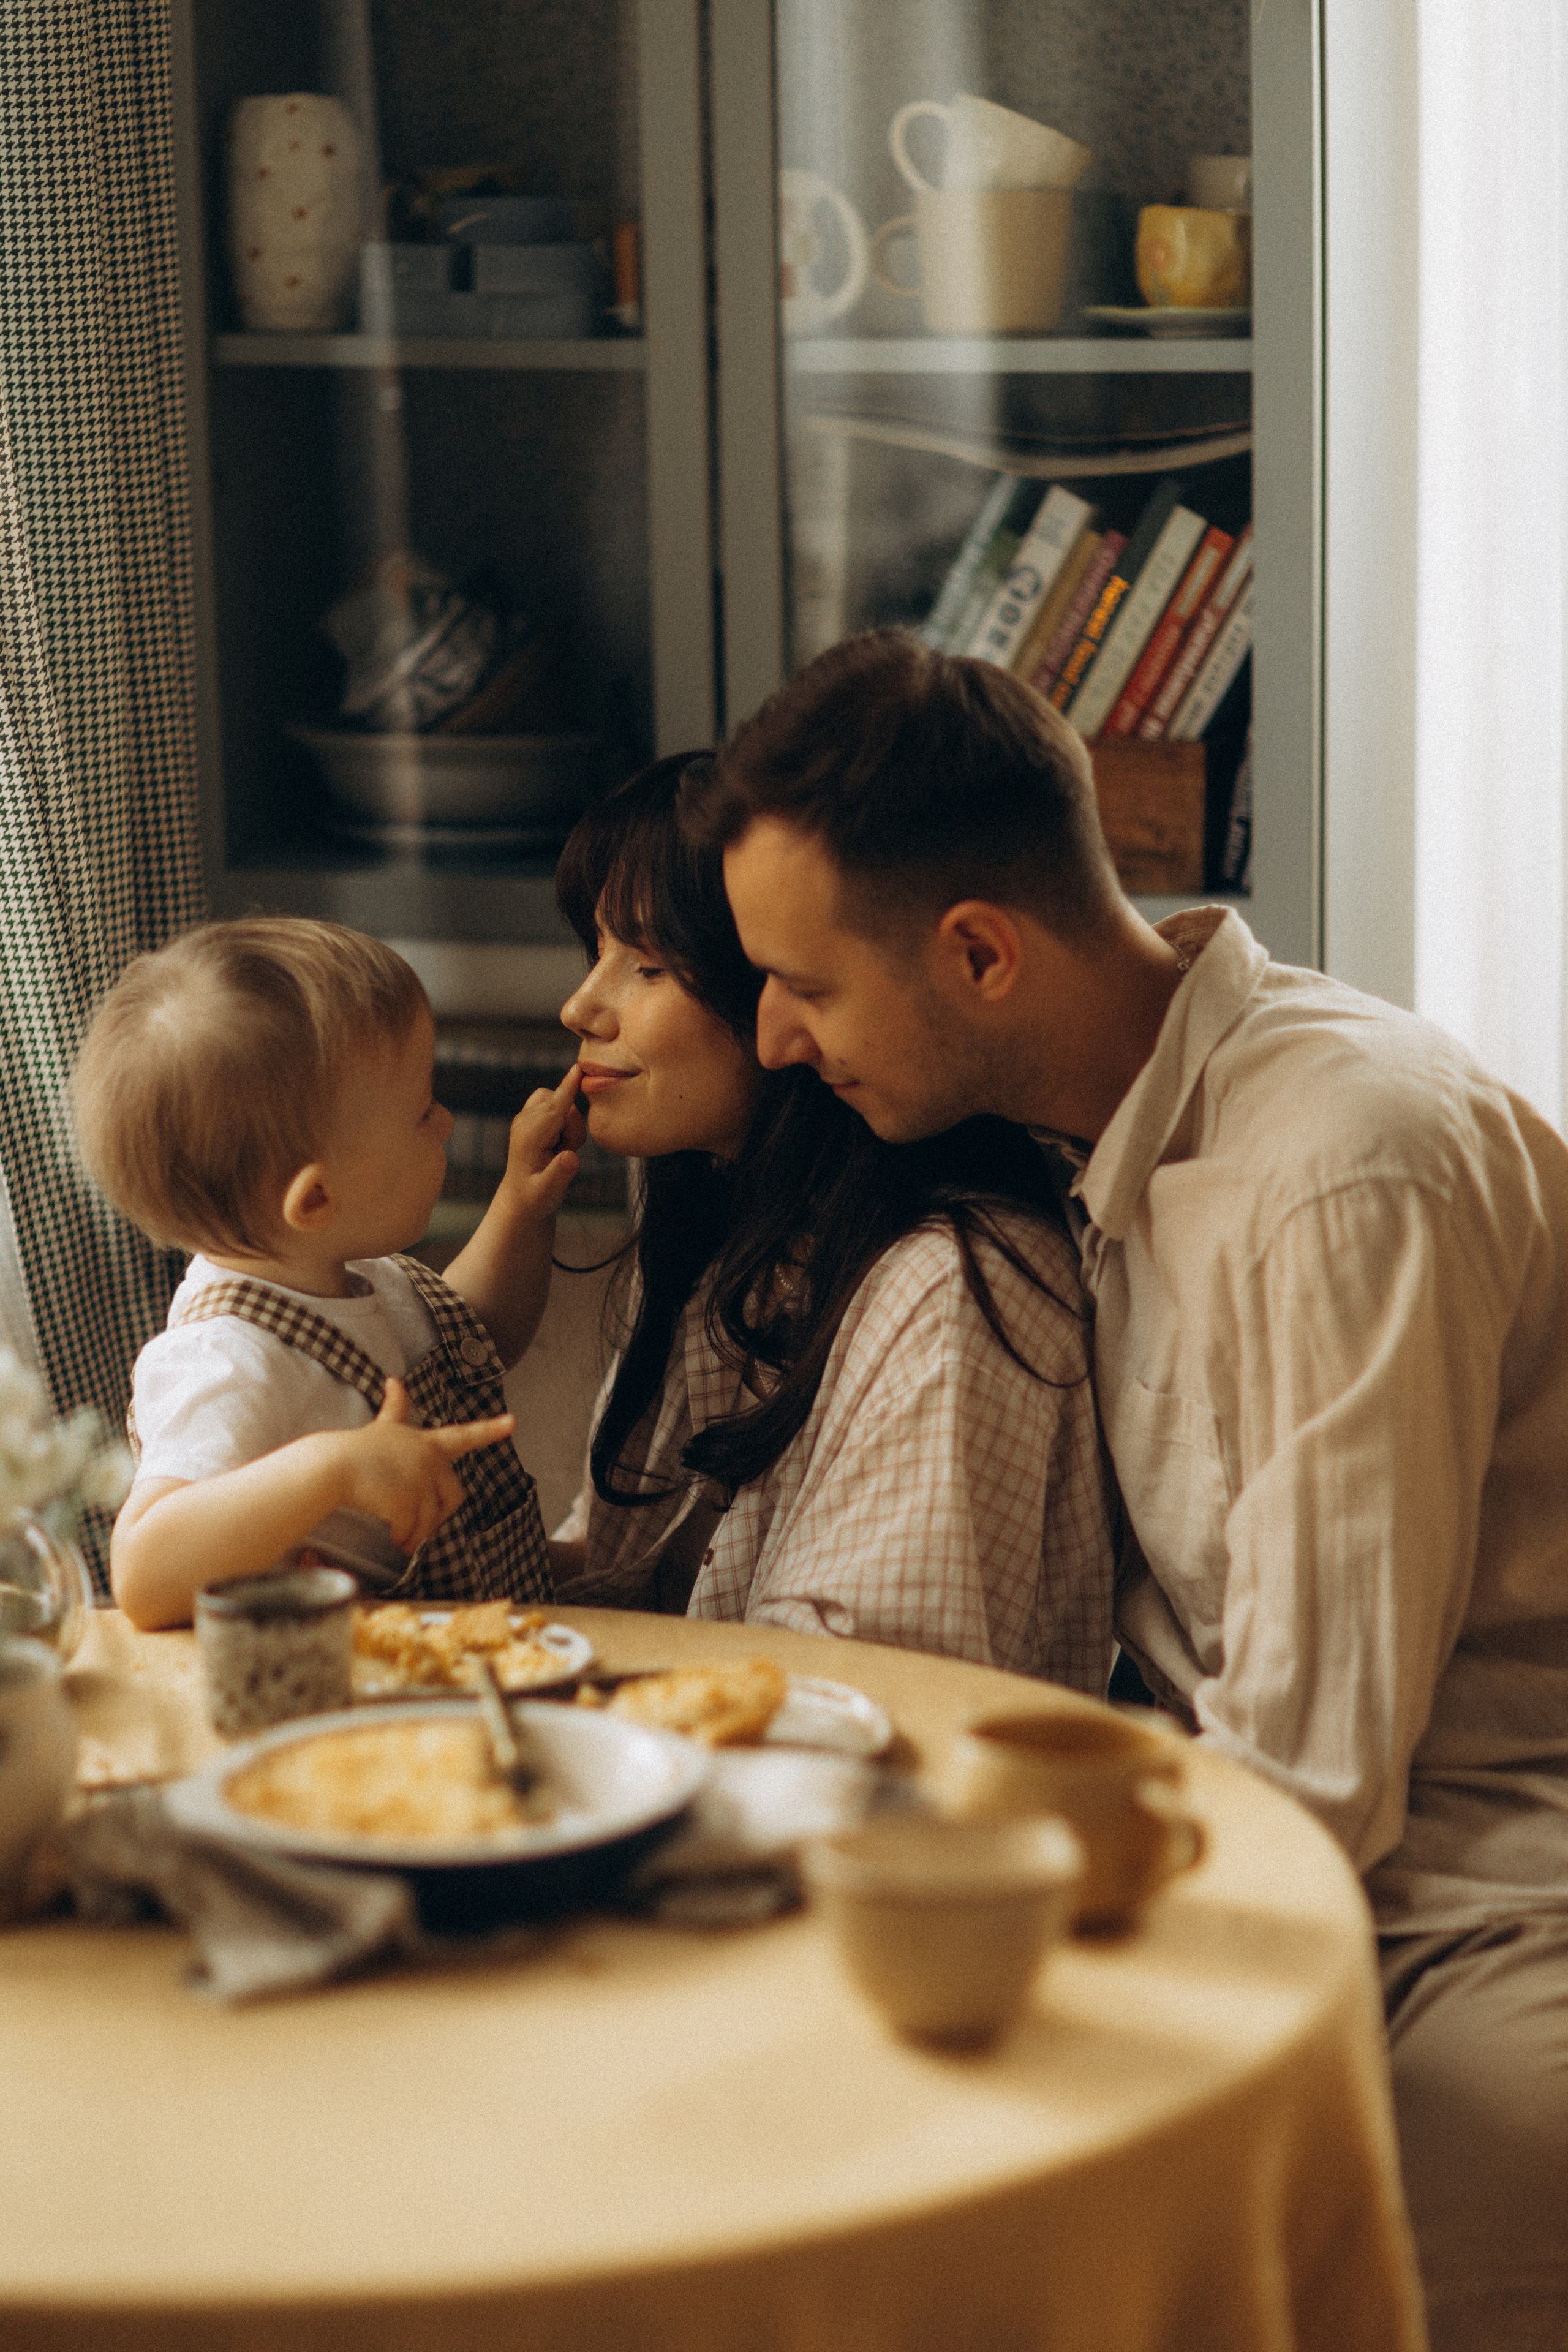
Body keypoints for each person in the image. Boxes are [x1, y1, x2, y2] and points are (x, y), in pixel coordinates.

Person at [683, 624, 1568, 2352]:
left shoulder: (1334, 1170)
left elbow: (1318, 1777)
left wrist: (965, 1908)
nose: (776, 1041)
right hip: (1283, 1856)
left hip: (1483, 1903)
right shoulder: (1104, 1137)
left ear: (979, 955)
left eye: (807, 985)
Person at [545, 753, 1115, 1690]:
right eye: (593, 952)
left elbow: (847, 1704)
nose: (581, 1007)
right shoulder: (723, 1227)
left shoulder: (952, 1289)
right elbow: (636, 1572)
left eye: (648, 965)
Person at [72, 917, 582, 1630]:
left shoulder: (352, 1276)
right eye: (422, 1111)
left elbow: (477, 1337)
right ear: (315, 1198)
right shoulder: (227, 1359)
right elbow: (144, 1574)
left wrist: (522, 1205)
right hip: (361, 1694)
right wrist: (333, 1471)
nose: (444, 1124)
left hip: (474, 1652)